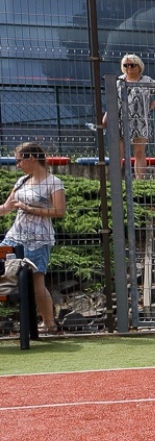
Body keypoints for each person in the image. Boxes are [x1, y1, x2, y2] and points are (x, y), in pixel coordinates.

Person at [1, 142, 66, 333]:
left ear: (31, 158)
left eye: (19, 160)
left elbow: (59, 211)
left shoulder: (53, 182)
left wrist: (31, 209)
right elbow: (6, 208)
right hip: (15, 236)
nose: (18, 165)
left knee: (37, 280)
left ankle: (49, 323)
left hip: (38, 238)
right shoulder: (21, 181)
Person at [107, 54, 155, 179]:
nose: (129, 67)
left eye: (132, 65)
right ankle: (115, 184)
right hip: (120, 120)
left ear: (139, 66)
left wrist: (151, 106)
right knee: (118, 153)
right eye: (126, 65)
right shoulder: (119, 81)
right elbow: (111, 100)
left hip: (140, 122)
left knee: (139, 152)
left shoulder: (147, 81)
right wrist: (107, 117)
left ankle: (140, 183)